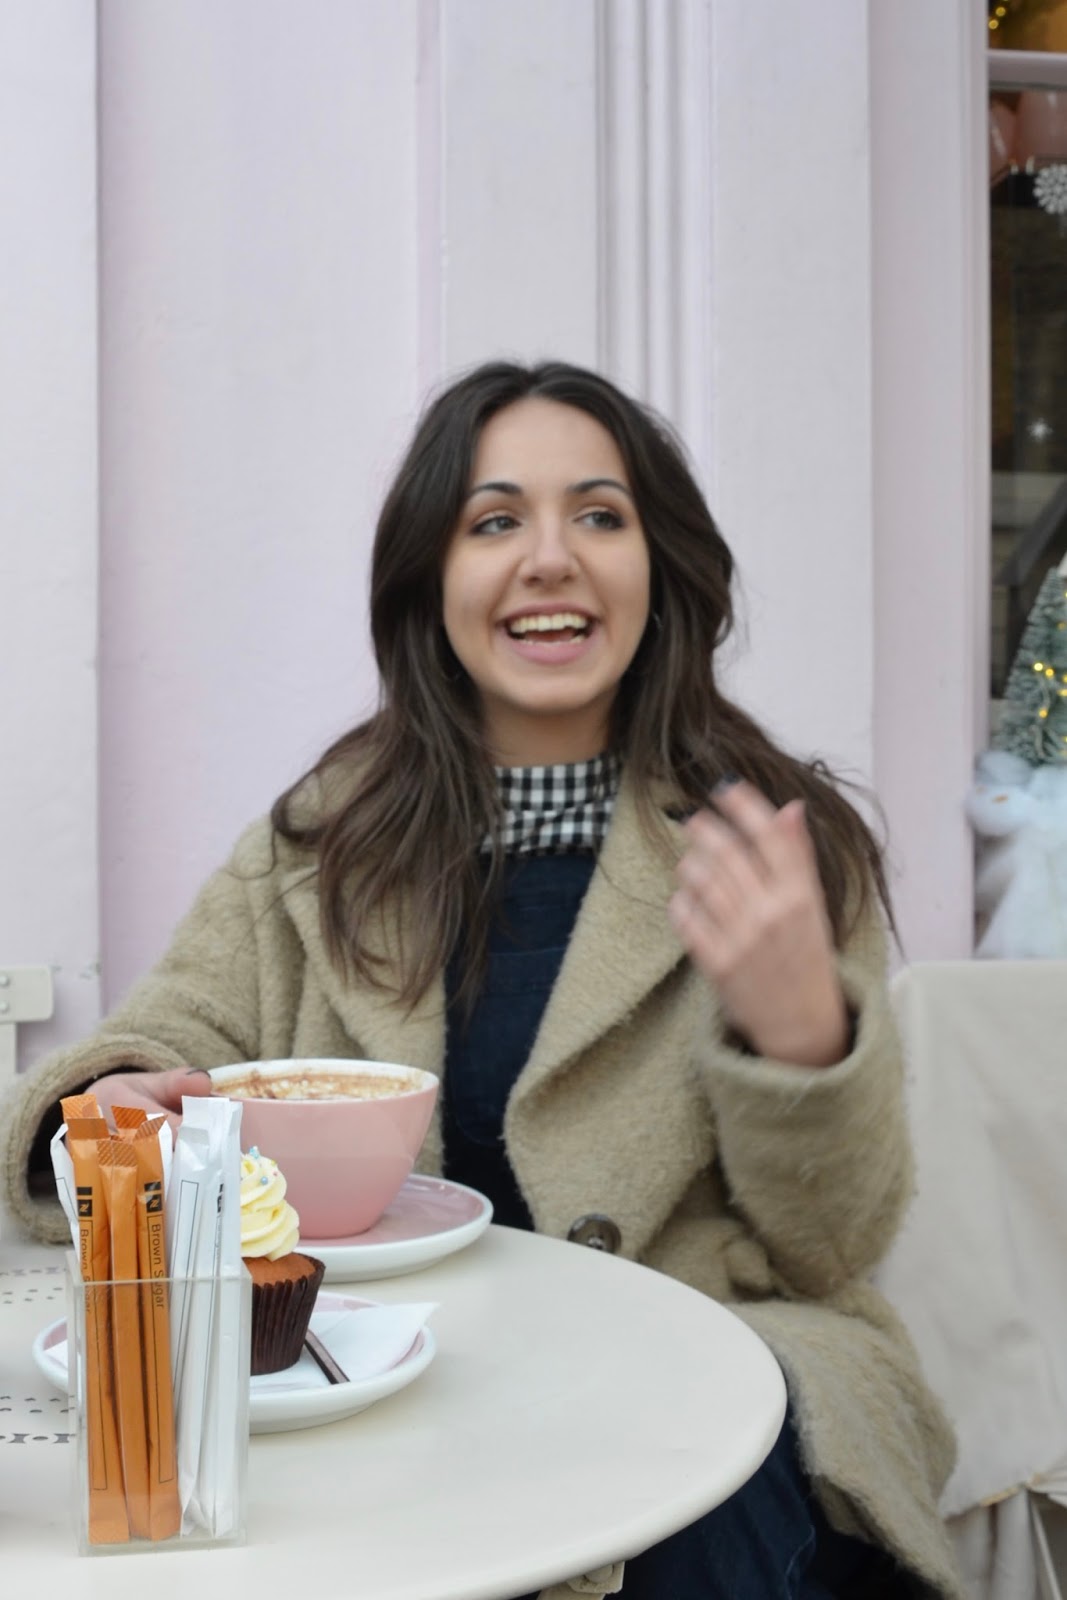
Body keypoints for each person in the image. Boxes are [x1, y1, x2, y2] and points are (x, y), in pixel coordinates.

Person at [2, 360, 963, 1599]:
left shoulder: (764, 842)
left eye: (599, 515)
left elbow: (829, 1247)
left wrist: (800, 1041)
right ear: (430, 580)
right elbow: (169, 1031)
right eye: (493, 521)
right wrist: (120, 1100)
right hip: (394, 1386)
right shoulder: (323, 842)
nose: (549, 559)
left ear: (658, 568)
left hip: (726, 1374)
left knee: (674, 1524)